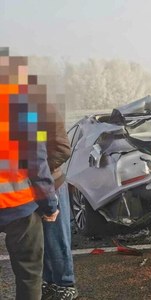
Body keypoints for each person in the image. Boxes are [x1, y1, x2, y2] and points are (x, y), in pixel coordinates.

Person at [0, 49, 60, 299]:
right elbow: (36, 161)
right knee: (29, 277)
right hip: (19, 205)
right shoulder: (20, 104)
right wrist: (50, 204)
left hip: (18, 204)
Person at [41, 103, 77, 300]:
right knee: (40, 241)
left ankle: (66, 284)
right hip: (29, 189)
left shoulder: (46, 110)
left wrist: (39, 170)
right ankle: (49, 282)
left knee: (57, 239)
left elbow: (63, 149)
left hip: (52, 184)